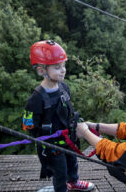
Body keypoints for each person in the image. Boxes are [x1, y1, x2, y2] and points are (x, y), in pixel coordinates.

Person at [22, 40, 94, 192]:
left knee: (72, 161)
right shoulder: (36, 99)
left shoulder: (64, 87)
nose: (63, 70)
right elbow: (28, 124)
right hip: (52, 143)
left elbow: (68, 110)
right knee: (59, 171)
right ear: (41, 71)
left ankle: (73, 181)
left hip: (69, 138)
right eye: (57, 67)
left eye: (63, 65)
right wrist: (42, 139)